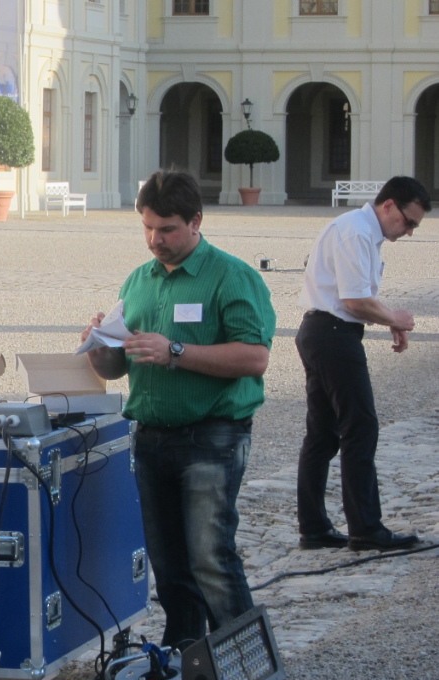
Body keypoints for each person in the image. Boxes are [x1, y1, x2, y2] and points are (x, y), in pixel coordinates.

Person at [83, 170, 276, 649]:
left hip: (212, 436)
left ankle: (244, 662)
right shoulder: (139, 280)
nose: (155, 239)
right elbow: (116, 367)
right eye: (147, 227)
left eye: (167, 229)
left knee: (210, 558)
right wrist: (97, 346)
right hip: (149, 437)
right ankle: (186, 658)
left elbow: (254, 357)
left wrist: (177, 351)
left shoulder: (232, 276)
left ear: (196, 222)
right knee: (167, 564)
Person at [295, 176, 430, 552]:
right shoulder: (355, 232)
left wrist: (390, 322)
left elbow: (361, 298)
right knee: (361, 427)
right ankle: (366, 527)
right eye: (408, 221)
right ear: (388, 206)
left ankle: (314, 527)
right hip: (333, 333)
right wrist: (397, 319)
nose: (409, 231)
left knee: (323, 435)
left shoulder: (361, 233)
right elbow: (355, 301)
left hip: (326, 331)